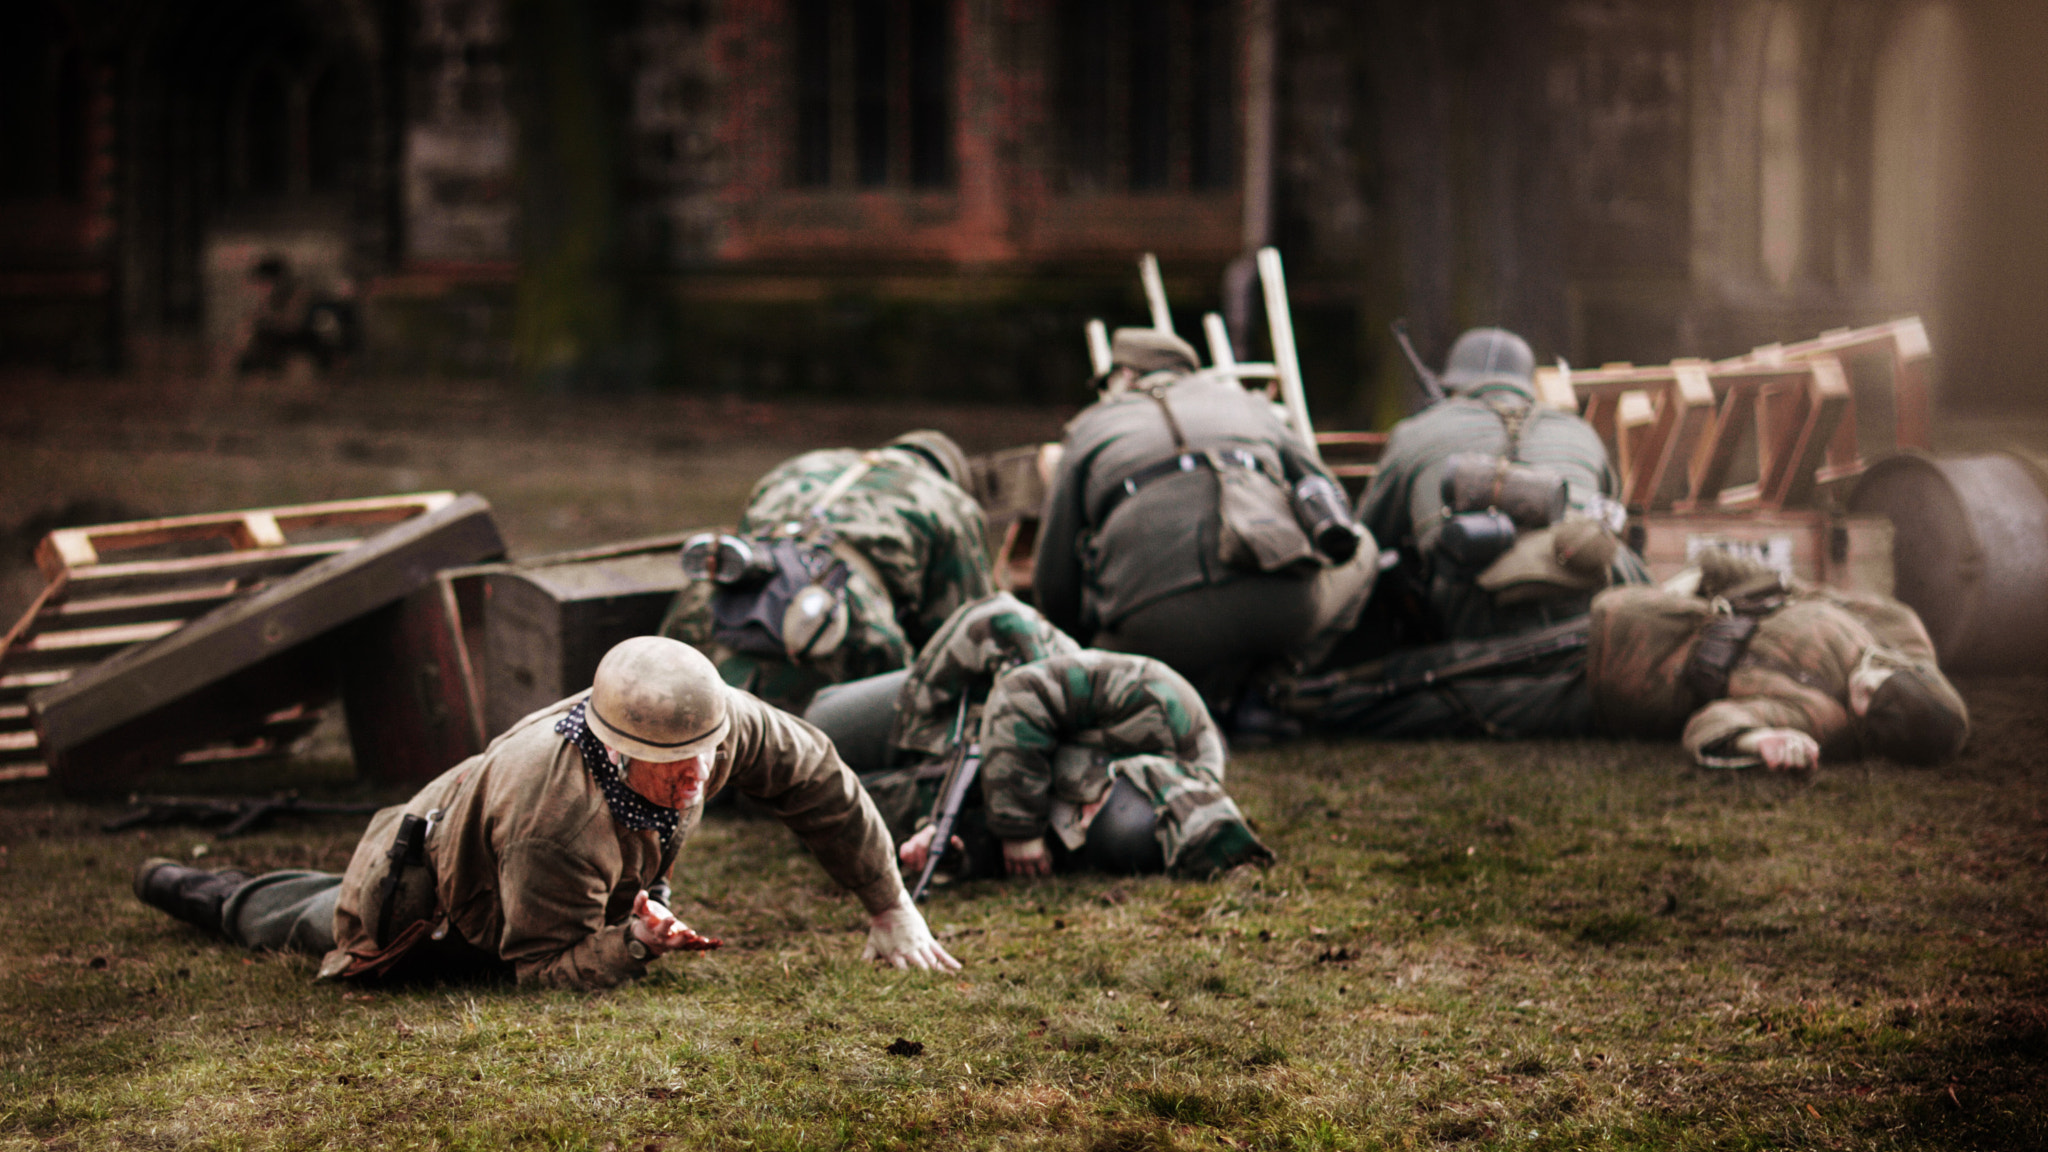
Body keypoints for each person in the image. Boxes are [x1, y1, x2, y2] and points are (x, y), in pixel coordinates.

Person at [131, 637, 959, 988]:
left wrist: (890, 906)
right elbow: (538, 970)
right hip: (428, 900)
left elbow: (820, 779)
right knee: (312, 914)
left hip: (523, 854)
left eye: (708, 753)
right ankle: (188, 888)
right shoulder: (555, 823)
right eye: (671, 770)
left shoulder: (705, 719)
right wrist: (634, 941)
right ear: (619, 748)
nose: (699, 777)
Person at [1272, 551, 1970, 770]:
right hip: (1625, 622)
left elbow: (1712, 723)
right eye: (1880, 679)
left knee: (1451, 702)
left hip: (1616, 690)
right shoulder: (1893, 630)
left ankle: (1303, 711)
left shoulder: (1818, 721)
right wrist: (1704, 577)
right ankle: (1305, 684)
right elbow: (1787, 587)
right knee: (1454, 658)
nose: (1865, 685)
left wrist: (1765, 741)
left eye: (1872, 706)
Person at [1032, 328, 1376, 720]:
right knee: (1365, 547)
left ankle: (1184, 696)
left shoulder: (1090, 426)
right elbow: (1327, 496)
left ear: (1125, 376)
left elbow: (1055, 581)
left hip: (1155, 631)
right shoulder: (1249, 406)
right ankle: (1265, 690)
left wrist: (1086, 646)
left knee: (1130, 653)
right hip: (1280, 604)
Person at [809, 594, 1273, 880]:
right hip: (952, 699)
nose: (1080, 820)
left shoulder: (1126, 831)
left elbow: (1046, 840)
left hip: (974, 766)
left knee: (817, 803)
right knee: (812, 734)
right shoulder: (1163, 703)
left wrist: (957, 848)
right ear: (1129, 771)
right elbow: (1020, 691)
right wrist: (1018, 831)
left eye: (1085, 825)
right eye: (1091, 811)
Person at [660, 430, 994, 712]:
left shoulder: (803, 465)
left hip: (719, 616)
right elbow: (962, 634)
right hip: (837, 637)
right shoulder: (951, 504)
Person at [1355, 326, 1644, 651]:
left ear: (1453, 384)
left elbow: (1366, 541)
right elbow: (1612, 520)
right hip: (1589, 587)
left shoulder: (1416, 432)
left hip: (1471, 607)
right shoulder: (1580, 432)